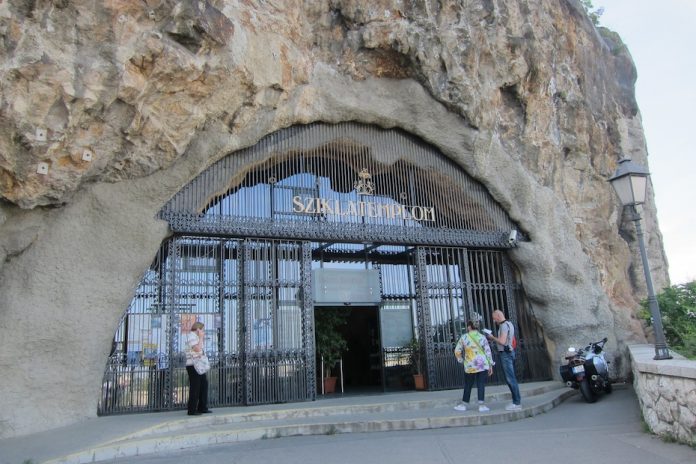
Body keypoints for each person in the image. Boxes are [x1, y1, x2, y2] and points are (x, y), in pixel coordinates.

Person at [453, 320, 494, 412]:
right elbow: (488, 351)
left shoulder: (464, 337)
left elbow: (457, 351)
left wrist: (461, 360)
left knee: (468, 384)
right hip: (482, 364)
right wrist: (490, 365)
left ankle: (464, 405)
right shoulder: (482, 337)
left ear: (469, 327)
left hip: (470, 365)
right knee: (481, 384)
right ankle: (482, 406)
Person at [486, 309, 522, 411]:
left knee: (510, 379)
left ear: (498, 315)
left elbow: (502, 341)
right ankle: (516, 401)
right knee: (511, 378)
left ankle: (517, 403)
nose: (494, 321)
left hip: (506, 354)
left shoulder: (503, 326)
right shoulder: (509, 324)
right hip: (510, 352)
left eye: (494, 318)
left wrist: (492, 337)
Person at [185, 321, 212, 416]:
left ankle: (202, 407)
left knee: (203, 385)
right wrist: (201, 338)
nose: (203, 331)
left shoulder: (195, 337)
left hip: (199, 365)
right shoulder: (191, 337)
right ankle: (192, 410)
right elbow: (197, 349)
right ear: (198, 329)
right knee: (195, 387)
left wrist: (200, 338)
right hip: (193, 365)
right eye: (202, 329)